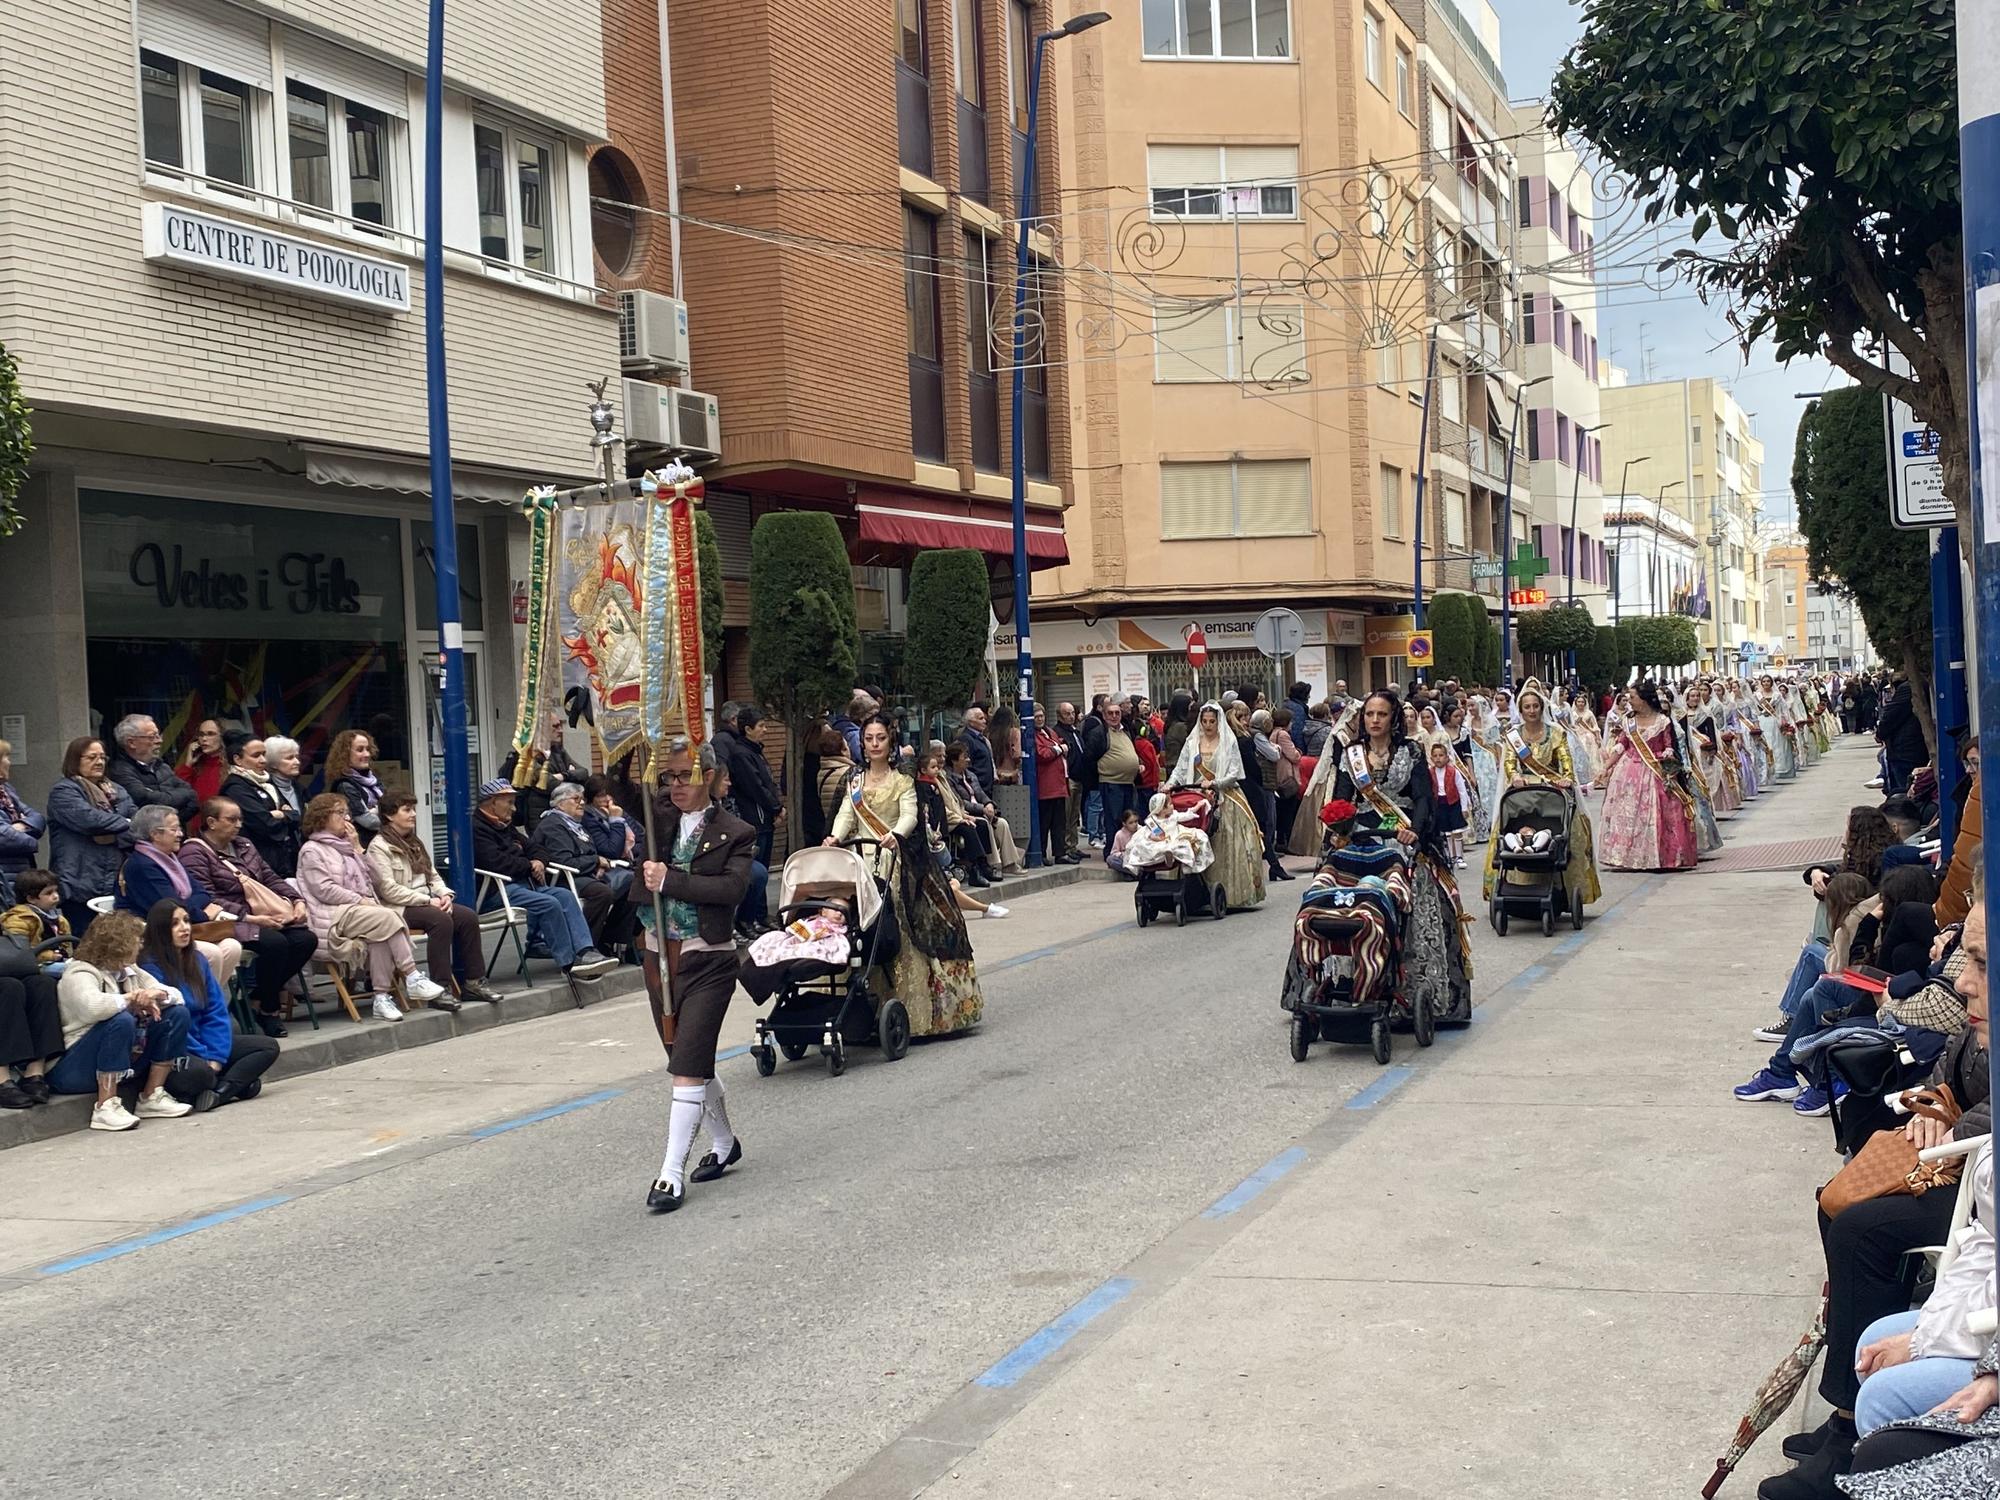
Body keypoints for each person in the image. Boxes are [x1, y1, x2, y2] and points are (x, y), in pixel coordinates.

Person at [1776, 890, 1989, 1498]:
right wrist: (1932, 1110)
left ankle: (1848, 1423)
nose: (1964, 982)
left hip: (1972, 1178)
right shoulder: (1975, 1018)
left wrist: (1954, 1128)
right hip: (1965, 1166)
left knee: (1862, 1229)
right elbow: (1947, 1072)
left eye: (1979, 962)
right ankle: (1844, 1403)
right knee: (1838, 1201)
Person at [636, 735, 756, 1215]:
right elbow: (627, 787)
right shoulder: (659, 818)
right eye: (668, 776)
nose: (675, 785)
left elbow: (731, 889)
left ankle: (670, 1174)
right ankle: (725, 1142)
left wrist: (671, 880)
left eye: (683, 775)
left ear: (708, 776)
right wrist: (630, 737)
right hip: (658, 956)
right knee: (689, 1059)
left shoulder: (736, 831)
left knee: (686, 1066)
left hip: (708, 959)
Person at [828, 715, 984, 1037]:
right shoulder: (854, 781)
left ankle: (908, 1009)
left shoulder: (902, 780)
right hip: (860, 861)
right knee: (857, 928)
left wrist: (896, 834)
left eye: (880, 738)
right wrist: (834, 836)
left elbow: (910, 814)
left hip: (893, 859)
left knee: (899, 926)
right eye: (869, 739)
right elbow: (846, 814)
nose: (874, 744)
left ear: (891, 742)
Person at [1322, 689, 1471, 1024]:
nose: (1375, 720)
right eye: (1369, 714)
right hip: (1361, 835)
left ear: (1393, 720)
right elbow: (1341, 798)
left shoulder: (1411, 751)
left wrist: (1415, 830)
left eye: (1382, 714)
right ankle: (1344, 979)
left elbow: (1422, 798)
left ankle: (1413, 987)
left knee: (1414, 891)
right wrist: (1338, 830)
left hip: (1401, 832)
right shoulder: (1351, 753)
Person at [296, 794, 448, 1020]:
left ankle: (381, 998)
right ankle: (412, 975)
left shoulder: (347, 847)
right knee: (388, 917)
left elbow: (375, 880)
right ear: (322, 817)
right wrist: (359, 899)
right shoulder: (312, 850)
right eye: (340, 813)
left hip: (362, 912)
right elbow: (324, 889)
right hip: (333, 915)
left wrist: (358, 848)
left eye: (347, 813)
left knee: (381, 934)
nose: (347, 818)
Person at [176, 797, 318, 1035]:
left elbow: (269, 877)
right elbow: (207, 898)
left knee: (305, 939)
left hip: (263, 914)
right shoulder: (193, 852)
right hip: (228, 921)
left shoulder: (244, 844)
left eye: (240, 819)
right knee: (275, 944)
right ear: (211, 822)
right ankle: (270, 1010)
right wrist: (248, 918)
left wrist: (297, 900)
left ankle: (255, 1000)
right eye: (232, 820)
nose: (239, 824)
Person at [49, 910, 192, 1131]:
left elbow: (177, 996)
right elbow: (93, 1007)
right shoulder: (80, 971)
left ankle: (152, 1096)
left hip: (120, 1058)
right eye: (136, 939)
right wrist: (131, 999)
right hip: (73, 1068)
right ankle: (105, 1106)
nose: (141, 945)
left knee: (176, 1014)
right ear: (118, 942)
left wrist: (157, 994)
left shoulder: (129, 970)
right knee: (121, 1020)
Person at [137, 899, 278, 1111]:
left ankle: (218, 1094)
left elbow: (215, 1011)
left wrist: (216, 1057)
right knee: (200, 1074)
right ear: (160, 930)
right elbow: (171, 1022)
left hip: (205, 1043)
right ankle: (234, 1085)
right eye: (175, 924)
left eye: (186, 921)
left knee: (267, 1047)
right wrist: (206, 1059)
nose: (184, 928)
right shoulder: (149, 966)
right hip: (177, 1050)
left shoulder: (197, 959)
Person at [471, 780, 618, 979]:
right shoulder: (477, 828)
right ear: (492, 802)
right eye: (509, 802)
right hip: (497, 891)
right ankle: (569, 962)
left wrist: (539, 860)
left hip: (524, 885)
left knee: (565, 896)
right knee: (549, 903)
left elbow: (536, 848)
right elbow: (496, 863)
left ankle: (585, 951)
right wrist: (528, 864)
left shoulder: (505, 825)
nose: (514, 808)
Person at [366, 791, 499, 1008]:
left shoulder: (414, 842)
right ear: (389, 815)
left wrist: (445, 894)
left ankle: (474, 983)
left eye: (413, 809)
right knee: (440, 920)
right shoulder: (379, 847)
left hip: (428, 901)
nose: (413, 814)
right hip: (397, 907)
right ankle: (440, 988)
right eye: (407, 810)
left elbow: (433, 875)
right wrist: (427, 901)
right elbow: (388, 890)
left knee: (467, 917)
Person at [116, 803, 244, 992]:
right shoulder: (141, 865)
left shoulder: (171, 859)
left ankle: (209, 1003)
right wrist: (203, 913)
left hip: (185, 927)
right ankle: (197, 1003)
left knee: (232, 947)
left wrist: (189, 906)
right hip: (154, 935)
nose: (180, 834)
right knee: (210, 953)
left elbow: (203, 893)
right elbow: (169, 908)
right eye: (174, 829)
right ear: (155, 834)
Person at [1165, 701, 1267, 910]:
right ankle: (1193, 892)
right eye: (1205, 721)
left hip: (1224, 797)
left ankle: (1230, 894)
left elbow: (1234, 772)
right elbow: (1180, 769)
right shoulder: (1192, 742)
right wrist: (1170, 784)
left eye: (1212, 721)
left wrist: (1215, 783)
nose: (1208, 725)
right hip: (1197, 798)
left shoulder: (1228, 742)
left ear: (1219, 722)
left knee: (1226, 844)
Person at [1594, 681, 1699, 872]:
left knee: (1657, 813)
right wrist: (1606, 768)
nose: (1629, 701)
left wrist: (1668, 760)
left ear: (1644, 700)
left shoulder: (1662, 721)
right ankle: (1627, 856)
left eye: (1633, 697)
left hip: (1654, 771)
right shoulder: (1628, 721)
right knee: (1628, 814)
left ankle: (1659, 856)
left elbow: (1669, 746)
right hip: (1627, 773)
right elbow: (1621, 745)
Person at [529, 781, 637, 955]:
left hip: (585, 873)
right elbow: (566, 861)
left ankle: (609, 937)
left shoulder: (575, 824)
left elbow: (588, 853)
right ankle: (586, 945)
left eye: (582, 799)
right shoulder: (553, 825)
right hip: (562, 879)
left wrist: (597, 864)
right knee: (602, 893)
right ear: (560, 804)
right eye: (576, 799)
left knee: (634, 884)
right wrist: (595, 862)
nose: (581, 803)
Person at [46, 736, 137, 935]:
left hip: (114, 880)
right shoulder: (64, 791)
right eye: (92, 757)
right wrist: (125, 824)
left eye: (103, 757)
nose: (99, 762)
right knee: (85, 940)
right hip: (79, 880)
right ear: (75, 760)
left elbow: (139, 826)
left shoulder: (116, 790)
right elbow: (91, 821)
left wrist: (115, 835)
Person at [219, 731, 301, 879]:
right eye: (256, 755)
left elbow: (296, 815)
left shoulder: (266, 783)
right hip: (259, 863)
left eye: (264, 754)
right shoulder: (236, 788)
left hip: (283, 860)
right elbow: (266, 825)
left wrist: (281, 815)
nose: (263, 760)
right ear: (238, 759)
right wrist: (283, 815)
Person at [713, 703, 783, 867]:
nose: (765, 730)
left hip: (765, 819)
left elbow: (767, 782)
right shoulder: (741, 754)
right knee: (756, 868)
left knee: (763, 868)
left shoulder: (755, 751)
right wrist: (776, 808)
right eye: (761, 726)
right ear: (748, 729)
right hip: (755, 820)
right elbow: (756, 787)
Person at [107, 714, 198, 826]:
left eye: (158, 735)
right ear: (131, 743)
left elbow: (193, 797)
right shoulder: (120, 771)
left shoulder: (162, 767)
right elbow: (146, 800)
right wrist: (177, 799)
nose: (159, 741)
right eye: (152, 737)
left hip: (172, 832)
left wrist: (170, 824)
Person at [1033, 704, 1078, 865]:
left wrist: (1058, 747)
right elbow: (1042, 754)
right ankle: (1041, 852)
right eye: (1036, 717)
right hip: (1046, 786)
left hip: (1059, 784)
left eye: (1042, 716)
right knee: (1045, 822)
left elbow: (1060, 743)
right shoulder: (1032, 735)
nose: (1040, 719)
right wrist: (1058, 749)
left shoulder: (1049, 732)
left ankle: (1060, 853)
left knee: (1060, 822)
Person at [324, 729, 386, 845]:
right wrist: (392, 817)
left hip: (383, 841)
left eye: (368, 749)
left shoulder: (374, 781)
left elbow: (393, 805)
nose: (367, 754)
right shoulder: (345, 786)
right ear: (345, 755)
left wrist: (377, 811)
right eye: (360, 750)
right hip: (363, 846)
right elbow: (369, 822)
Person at [0, 737, 45, 884]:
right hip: (4, 876)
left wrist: (20, 826)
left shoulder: (7, 791)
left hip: (20, 873)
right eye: (6, 757)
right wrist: (32, 842)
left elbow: (38, 818)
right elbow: (4, 838)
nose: (9, 762)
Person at [262, 736, 307, 863]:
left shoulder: (300, 789)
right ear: (273, 763)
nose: (297, 762)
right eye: (289, 758)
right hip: (278, 857)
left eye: (297, 757)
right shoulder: (265, 790)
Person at [175, 717, 228, 817]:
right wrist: (188, 764)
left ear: (222, 737)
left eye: (210, 734)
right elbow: (178, 793)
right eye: (201, 734)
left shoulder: (231, 766)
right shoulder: (195, 767)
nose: (204, 739)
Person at [957, 706, 998, 797]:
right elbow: (966, 764)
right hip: (977, 788)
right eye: (980, 718)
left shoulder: (981, 738)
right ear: (971, 722)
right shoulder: (966, 739)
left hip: (986, 788)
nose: (984, 721)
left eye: (984, 718)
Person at [1105, 807, 1143, 878]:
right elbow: (1114, 852)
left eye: (1136, 821)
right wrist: (1123, 855)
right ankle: (1135, 873)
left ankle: (1130, 875)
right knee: (1110, 860)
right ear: (1124, 824)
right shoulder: (1119, 834)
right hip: (1126, 858)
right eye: (1131, 823)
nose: (1134, 824)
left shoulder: (1141, 831)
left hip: (1139, 859)